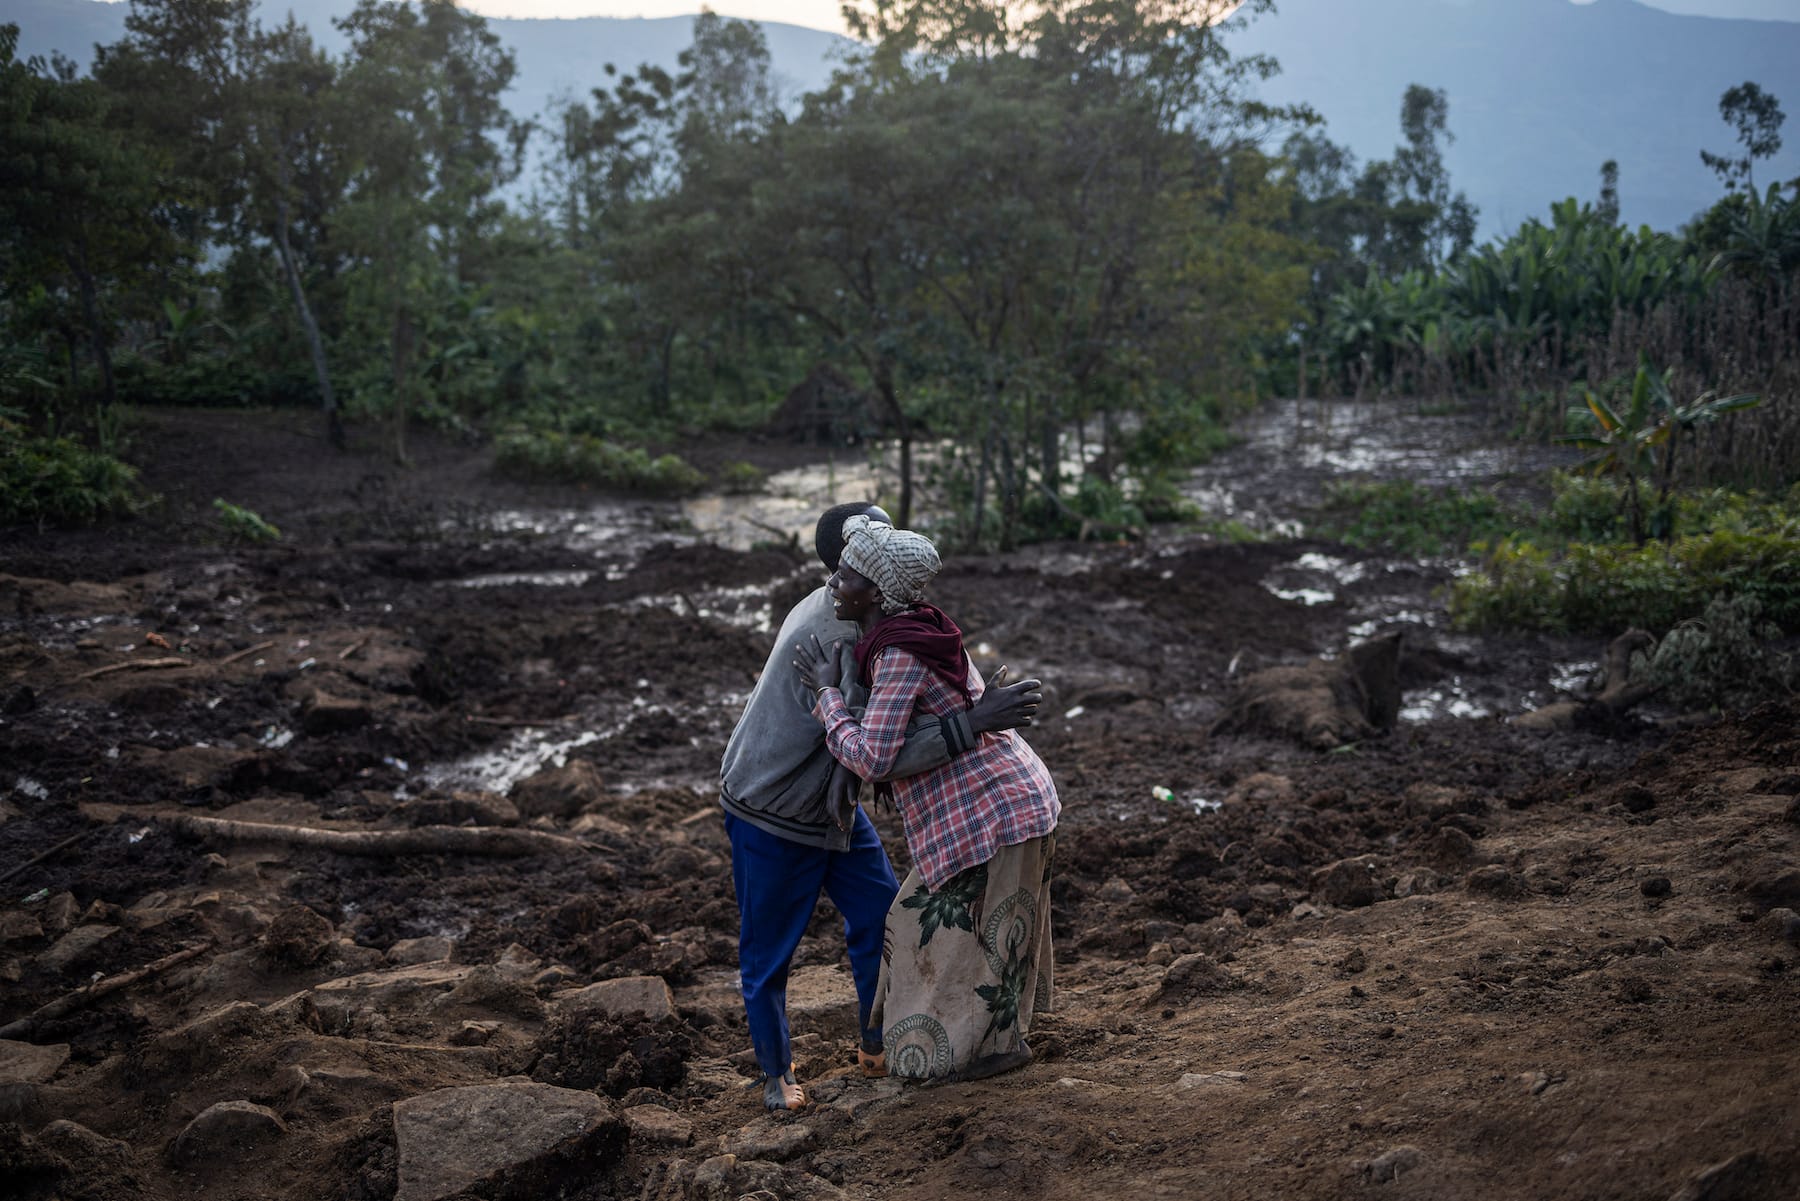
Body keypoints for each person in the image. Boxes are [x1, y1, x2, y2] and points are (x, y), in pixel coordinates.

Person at [720, 501, 1043, 1111]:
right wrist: (974, 722)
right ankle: (775, 1072)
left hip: (831, 807)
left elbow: (868, 745)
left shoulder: (872, 623)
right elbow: (881, 753)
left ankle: (875, 1043)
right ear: (852, 572)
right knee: (767, 951)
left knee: (881, 919)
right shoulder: (843, 633)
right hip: (773, 807)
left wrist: (854, 776)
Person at [794, 515, 1060, 1082]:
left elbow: (873, 757)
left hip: (993, 811)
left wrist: (825, 696)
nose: (835, 584)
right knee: (966, 932)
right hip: (997, 806)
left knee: (966, 934)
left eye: (846, 575)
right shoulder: (915, 630)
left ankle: (984, 1053)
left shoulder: (897, 655)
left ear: (878, 592)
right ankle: (981, 1049)